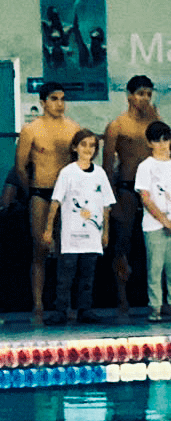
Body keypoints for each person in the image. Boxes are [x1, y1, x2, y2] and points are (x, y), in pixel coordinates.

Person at [16, 82, 80, 322]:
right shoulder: (31, 130)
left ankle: (65, 303)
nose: (60, 104)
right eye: (54, 99)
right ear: (43, 102)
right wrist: (30, 192)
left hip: (67, 196)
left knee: (68, 252)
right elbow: (21, 166)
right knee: (40, 249)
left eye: (62, 99)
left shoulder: (73, 129)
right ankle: (39, 303)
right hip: (40, 193)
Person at [43, 128, 112, 325]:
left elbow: (106, 205)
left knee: (87, 274)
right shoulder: (67, 172)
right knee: (65, 273)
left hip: (92, 233)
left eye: (92, 145)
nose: (88, 149)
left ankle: (85, 309)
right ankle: (61, 310)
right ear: (75, 147)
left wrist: (105, 231)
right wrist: (49, 229)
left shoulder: (100, 174)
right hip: (72, 234)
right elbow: (55, 202)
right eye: (84, 144)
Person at [102, 74, 158, 315]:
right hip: (126, 186)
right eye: (140, 94)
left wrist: (157, 119)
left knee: (156, 244)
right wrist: (110, 199)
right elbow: (106, 166)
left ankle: (158, 299)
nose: (144, 99)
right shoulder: (117, 125)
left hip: (153, 188)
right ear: (129, 96)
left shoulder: (154, 123)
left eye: (148, 94)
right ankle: (122, 297)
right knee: (123, 244)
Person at [135, 120, 171, 323]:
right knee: (155, 267)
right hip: (154, 226)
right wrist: (163, 220)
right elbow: (145, 196)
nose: (162, 144)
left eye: (165, 139)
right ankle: (155, 306)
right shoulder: (145, 167)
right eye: (157, 141)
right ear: (150, 143)